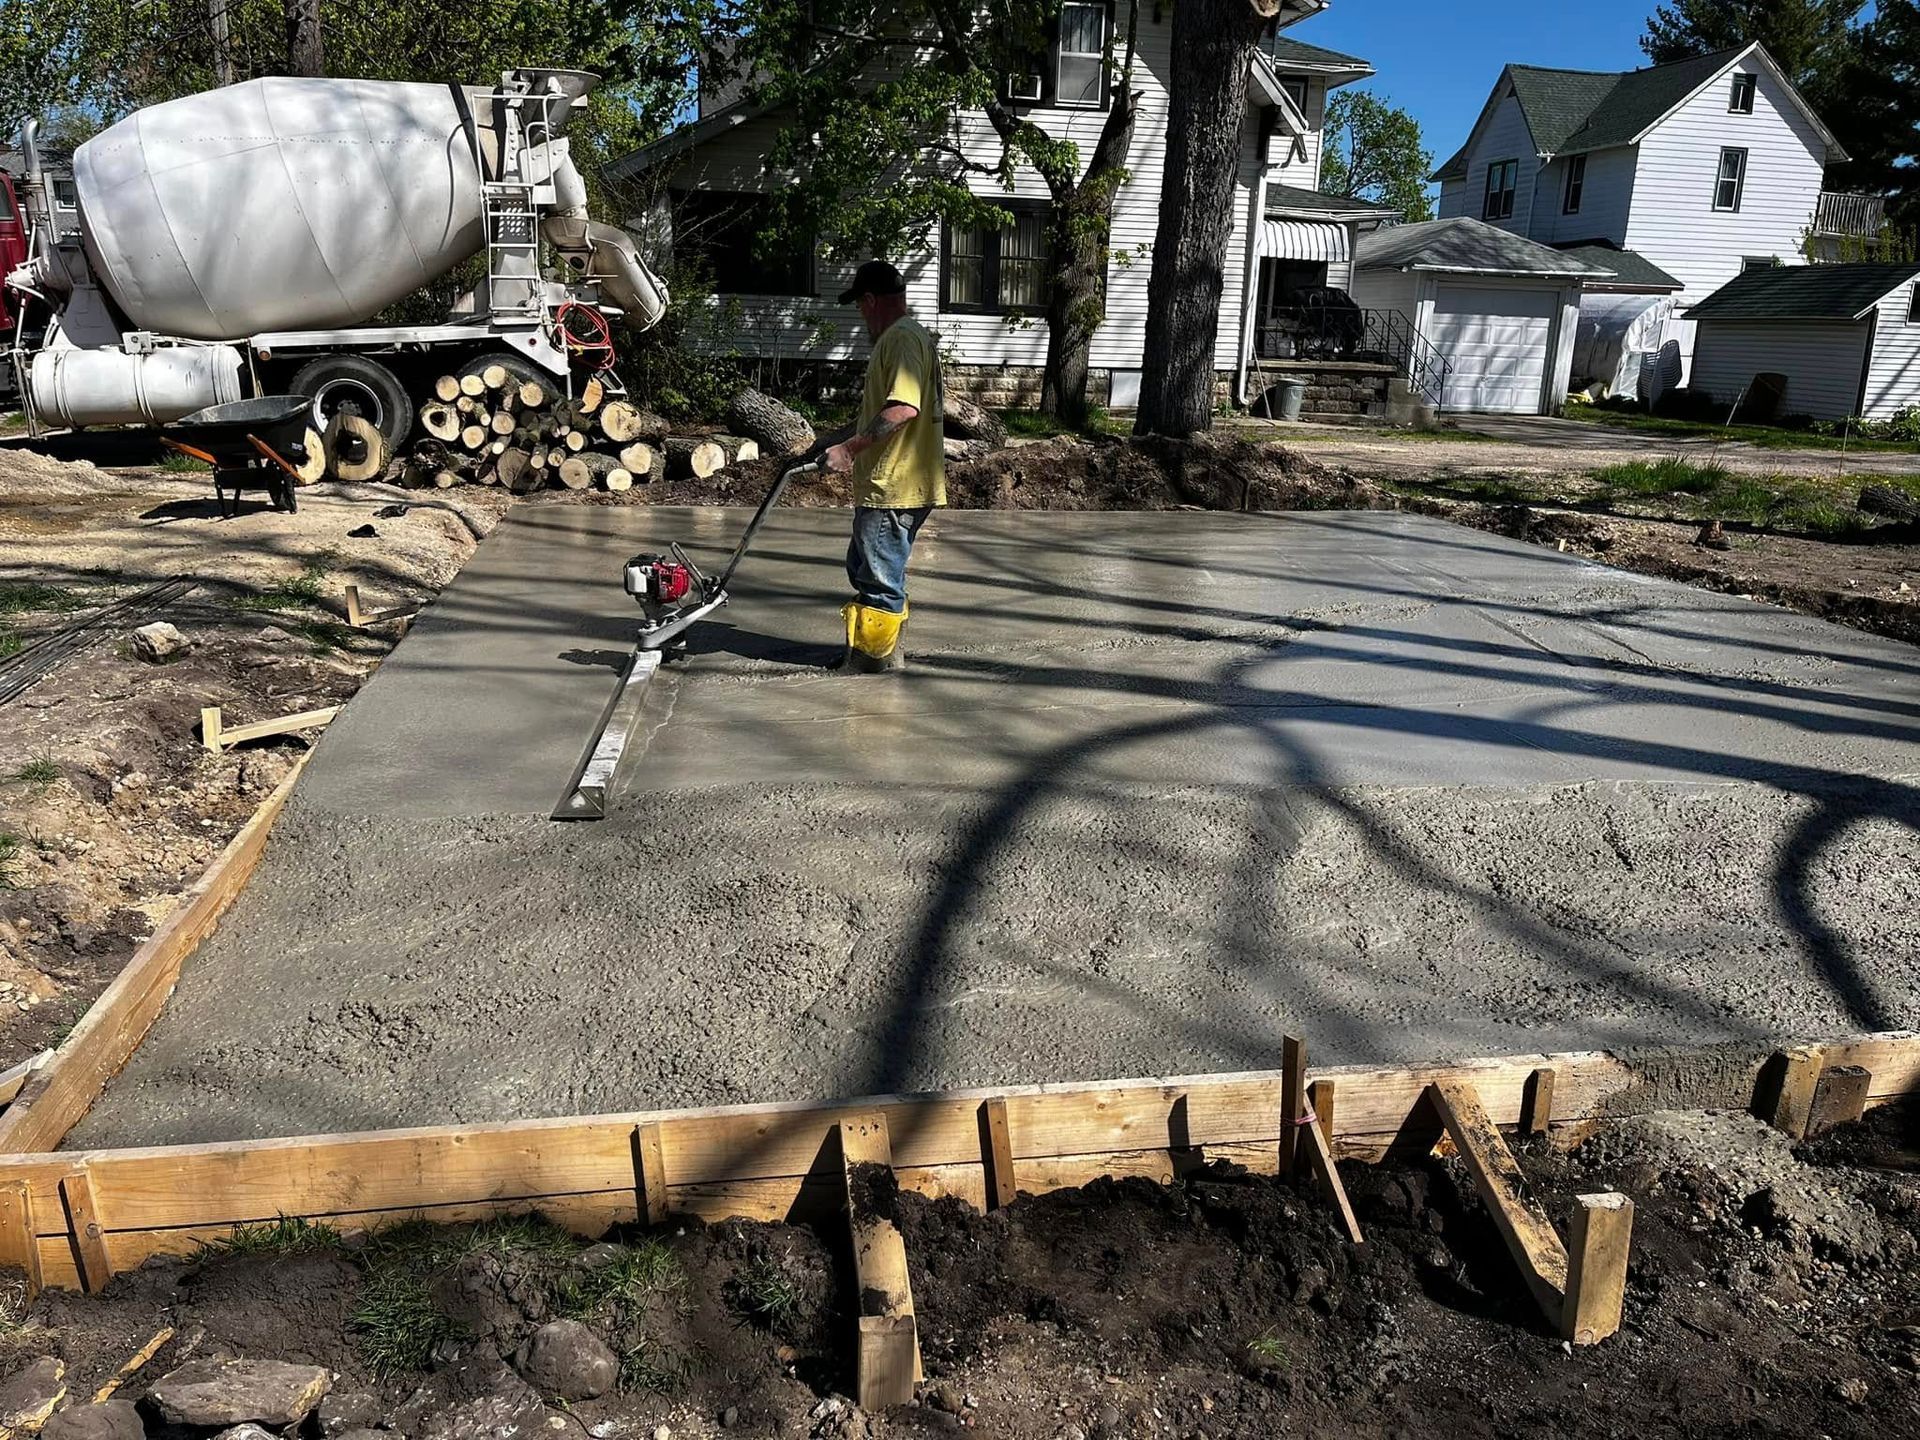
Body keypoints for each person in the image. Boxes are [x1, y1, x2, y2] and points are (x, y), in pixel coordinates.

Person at [822, 259, 945, 672]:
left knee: (878, 582)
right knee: (864, 568)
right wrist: (834, 442)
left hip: (895, 485)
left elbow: (903, 409)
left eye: (860, 306)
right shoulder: (908, 338)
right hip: (895, 483)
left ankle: (872, 667)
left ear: (871, 300)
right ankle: (876, 652)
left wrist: (851, 450)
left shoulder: (901, 340)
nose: (861, 316)